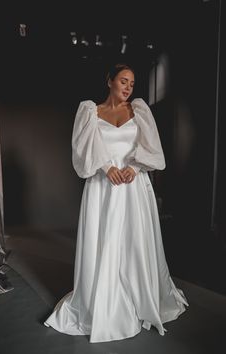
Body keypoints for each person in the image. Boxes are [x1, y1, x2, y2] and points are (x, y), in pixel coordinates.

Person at [44, 63, 189, 343]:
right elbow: (84, 154)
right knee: (105, 240)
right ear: (109, 80)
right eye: (123, 81)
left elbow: (153, 152)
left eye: (132, 84)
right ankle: (106, 300)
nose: (128, 88)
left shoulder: (139, 111)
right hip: (103, 188)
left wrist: (133, 168)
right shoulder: (90, 112)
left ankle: (139, 294)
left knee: (135, 241)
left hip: (133, 187)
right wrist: (105, 168)